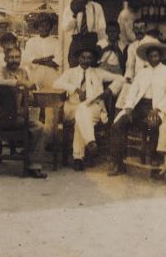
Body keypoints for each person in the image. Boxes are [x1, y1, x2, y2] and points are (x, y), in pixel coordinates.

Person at [108, 39, 166, 175]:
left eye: (156, 55)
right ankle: (118, 163)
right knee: (118, 125)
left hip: (157, 108)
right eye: (150, 56)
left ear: (161, 56)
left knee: (153, 124)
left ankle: (154, 161)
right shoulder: (142, 73)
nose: (153, 58)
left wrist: (159, 109)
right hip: (139, 107)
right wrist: (128, 106)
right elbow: (133, 90)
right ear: (147, 57)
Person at [53, 42, 123, 170]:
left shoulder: (98, 72)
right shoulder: (70, 72)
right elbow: (56, 84)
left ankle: (78, 157)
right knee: (81, 111)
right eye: (83, 57)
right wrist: (75, 89)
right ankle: (90, 142)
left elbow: (120, 79)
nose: (86, 60)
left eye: (89, 58)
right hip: (72, 108)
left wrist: (109, 91)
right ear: (78, 58)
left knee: (82, 112)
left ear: (93, 59)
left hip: (94, 109)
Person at [0, 45, 48, 178]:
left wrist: (33, 89)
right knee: (31, 124)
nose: (14, 60)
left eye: (17, 57)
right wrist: (19, 83)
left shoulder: (23, 71)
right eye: (11, 57)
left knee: (39, 127)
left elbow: (30, 93)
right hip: (1, 117)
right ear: (5, 58)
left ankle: (33, 166)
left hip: (17, 116)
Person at [61, 0, 107, 66]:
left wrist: (100, 45)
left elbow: (102, 29)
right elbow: (66, 28)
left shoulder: (97, 7)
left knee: (92, 70)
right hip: (77, 42)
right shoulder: (69, 8)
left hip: (92, 42)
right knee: (75, 69)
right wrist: (74, 14)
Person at [22, 13, 60, 90]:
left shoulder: (56, 42)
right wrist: (46, 59)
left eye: (46, 25)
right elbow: (26, 60)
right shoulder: (31, 42)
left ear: (51, 27)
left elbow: (57, 62)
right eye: (41, 26)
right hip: (35, 76)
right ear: (37, 27)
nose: (44, 28)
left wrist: (37, 60)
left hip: (52, 76)